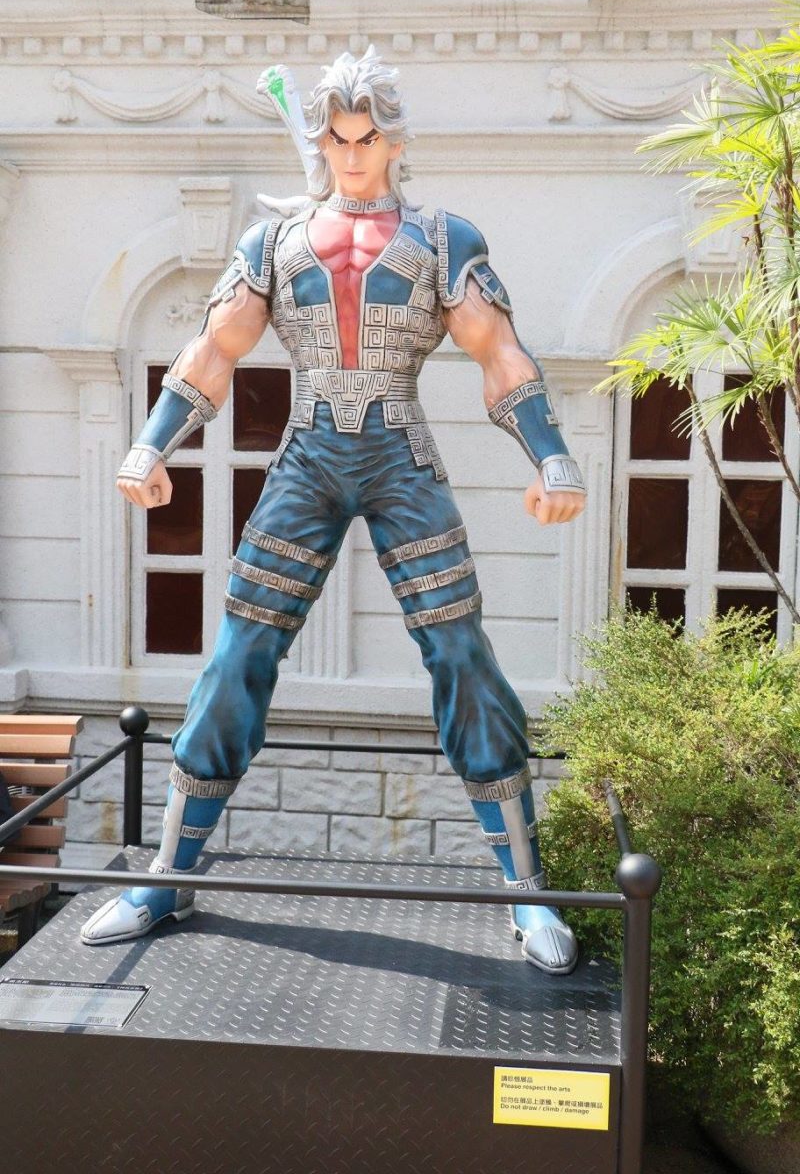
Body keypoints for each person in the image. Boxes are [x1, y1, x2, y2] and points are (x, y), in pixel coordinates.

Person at [81, 48, 587, 974]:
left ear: (394, 141)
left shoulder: (444, 239)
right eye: (337, 139)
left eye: (367, 138)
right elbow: (213, 350)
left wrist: (552, 455)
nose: (352, 155)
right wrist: (151, 444)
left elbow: (500, 352)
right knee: (238, 652)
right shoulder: (273, 243)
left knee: (462, 653)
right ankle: (168, 873)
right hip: (308, 455)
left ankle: (526, 886)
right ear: (319, 141)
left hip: (400, 454)